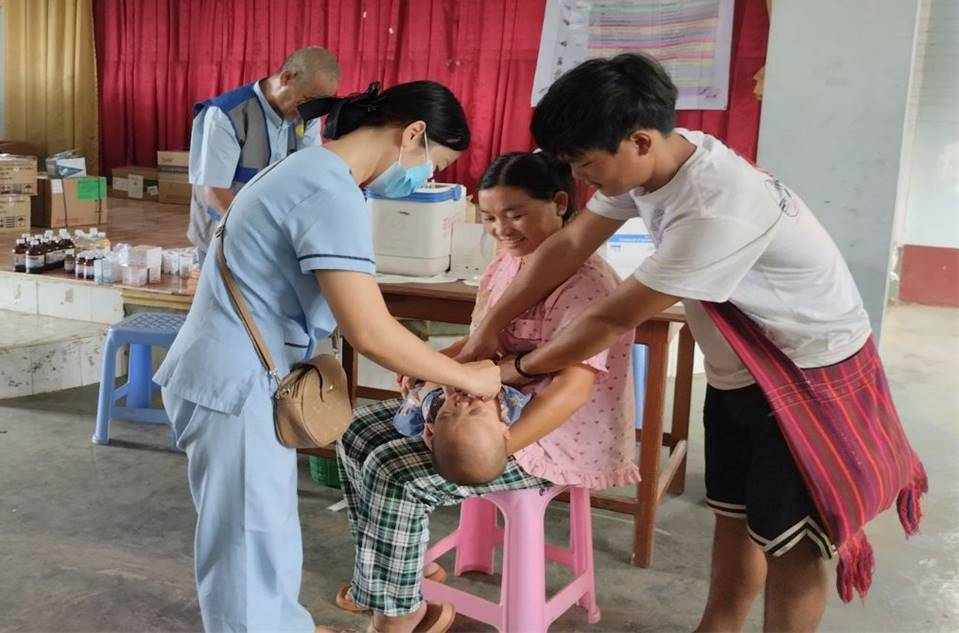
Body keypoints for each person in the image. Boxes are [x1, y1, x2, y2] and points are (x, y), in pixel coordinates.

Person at [458, 54, 877, 632]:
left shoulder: (714, 207)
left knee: (792, 545)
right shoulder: (660, 162)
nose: (581, 180)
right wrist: (487, 329)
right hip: (742, 368)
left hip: (804, 374)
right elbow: (569, 246)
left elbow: (610, 320)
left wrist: (512, 369)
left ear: (638, 141)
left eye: (586, 165)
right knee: (735, 516)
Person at [156, 80, 501, 633]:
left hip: (239, 374)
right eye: (432, 164)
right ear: (413, 133)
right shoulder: (329, 191)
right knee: (246, 554)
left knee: (265, 537)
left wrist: (433, 364)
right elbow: (369, 330)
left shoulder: (308, 170)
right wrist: (465, 377)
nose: (423, 179)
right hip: (237, 384)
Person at [335, 151, 640, 633]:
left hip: (548, 434)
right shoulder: (509, 263)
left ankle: (398, 615)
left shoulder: (587, 285)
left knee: (394, 472)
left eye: (515, 215)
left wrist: (497, 445)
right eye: (490, 217)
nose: (501, 230)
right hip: (494, 407)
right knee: (355, 432)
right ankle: (402, 575)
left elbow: (571, 392)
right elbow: (483, 341)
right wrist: (435, 366)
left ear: (560, 203)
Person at [188, 46, 340, 265]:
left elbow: (309, 173)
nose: (308, 111)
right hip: (224, 233)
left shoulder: (306, 117)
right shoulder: (226, 115)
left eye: (316, 106)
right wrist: (258, 236)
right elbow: (214, 192)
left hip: (273, 235)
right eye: (306, 100)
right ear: (287, 78)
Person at [393, 380, 531, 485]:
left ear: (432, 429)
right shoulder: (512, 404)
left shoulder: (433, 419)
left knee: (404, 424)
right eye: (475, 411)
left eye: (446, 415)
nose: (461, 404)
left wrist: (437, 385)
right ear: (504, 429)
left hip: (432, 398)